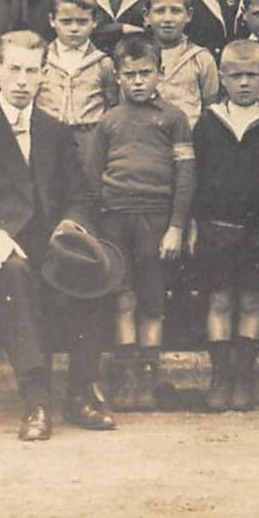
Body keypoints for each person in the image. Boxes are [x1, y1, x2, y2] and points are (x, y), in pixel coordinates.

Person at [0, 30, 117, 439]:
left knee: (86, 266)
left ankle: (81, 393)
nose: (22, 80)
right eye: (14, 69)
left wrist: (68, 229)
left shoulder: (55, 131)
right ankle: (36, 400)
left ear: (43, 77)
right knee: (15, 272)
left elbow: (79, 196)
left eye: (31, 71)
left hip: (47, 242)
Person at [85, 33, 198, 411]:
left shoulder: (174, 118)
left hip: (155, 220)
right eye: (129, 74)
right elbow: (92, 177)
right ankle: (127, 378)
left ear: (159, 74)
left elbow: (185, 176)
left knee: (152, 300)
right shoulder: (108, 122)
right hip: (115, 219)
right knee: (123, 296)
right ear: (117, 76)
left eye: (145, 73)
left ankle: (149, 377)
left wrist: (177, 226)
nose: (137, 81)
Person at [190, 40, 259, 410]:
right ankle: (220, 379)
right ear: (222, 77)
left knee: (251, 301)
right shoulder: (209, 121)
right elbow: (195, 176)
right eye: (236, 76)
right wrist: (193, 224)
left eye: (252, 75)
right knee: (218, 300)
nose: (245, 83)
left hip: (257, 228)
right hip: (216, 225)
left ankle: (244, 378)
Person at [37, 0, 122, 177]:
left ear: (94, 21)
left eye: (82, 22)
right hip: (47, 135)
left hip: (89, 137)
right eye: (66, 22)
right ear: (52, 20)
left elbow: (113, 105)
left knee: (87, 186)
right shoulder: (42, 59)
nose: (74, 28)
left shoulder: (103, 63)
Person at [143, 0, 222, 126]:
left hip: (189, 141)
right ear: (147, 16)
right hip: (149, 141)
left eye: (176, 11)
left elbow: (210, 107)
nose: (168, 19)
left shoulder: (201, 58)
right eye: (160, 11)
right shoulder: (138, 58)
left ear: (189, 15)